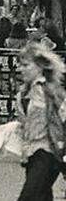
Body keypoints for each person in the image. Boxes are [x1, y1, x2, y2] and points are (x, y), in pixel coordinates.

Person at [16, 42, 66, 200]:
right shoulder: (25, 91)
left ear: (40, 66)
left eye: (25, 65)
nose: (20, 69)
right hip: (32, 154)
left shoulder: (50, 91)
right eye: (20, 65)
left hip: (47, 153)